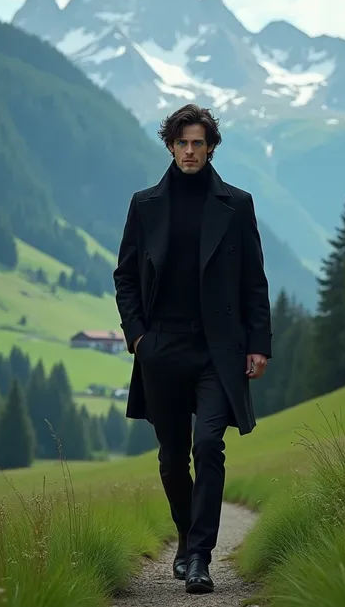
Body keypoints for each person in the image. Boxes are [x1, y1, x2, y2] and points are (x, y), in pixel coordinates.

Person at [113, 103, 272, 594]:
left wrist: (258, 344)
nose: (189, 151)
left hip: (217, 350)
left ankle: (201, 555)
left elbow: (253, 282)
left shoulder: (236, 204)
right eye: (182, 143)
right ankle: (186, 538)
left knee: (209, 443)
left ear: (210, 147)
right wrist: (139, 337)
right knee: (170, 456)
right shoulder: (145, 204)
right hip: (162, 347)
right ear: (170, 146)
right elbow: (125, 277)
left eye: (198, 143)